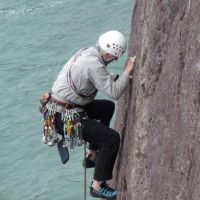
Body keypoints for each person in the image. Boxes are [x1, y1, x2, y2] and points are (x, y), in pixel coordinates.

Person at [50, 30, 136, 200]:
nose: (116, 59)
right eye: (114, 56)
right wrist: (127, 71)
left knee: (107, 108)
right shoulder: (94, 64)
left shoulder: (87, 52)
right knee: (111, 139)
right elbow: (114, 92)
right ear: (106, 52)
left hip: (64, 108)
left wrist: (114, 77)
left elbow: (94, 79)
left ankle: (93, 153)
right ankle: (97, 185)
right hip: (66, 117)